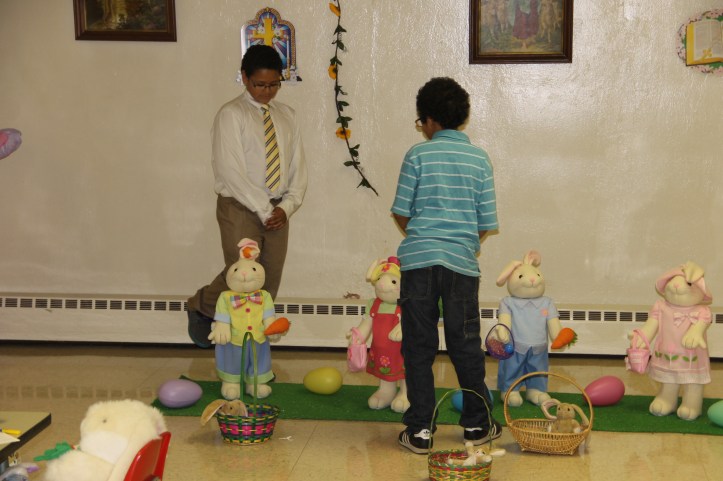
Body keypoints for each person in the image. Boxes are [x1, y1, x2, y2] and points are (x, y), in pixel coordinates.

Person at [391, 77, 500, 454]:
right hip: (461, 267)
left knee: (418, 346)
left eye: (421, 122)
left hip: (418, 263)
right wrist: (462, 243)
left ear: (430, 120)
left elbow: (401, 212)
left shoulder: (417, 156)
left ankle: (420, 429)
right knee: (466, 345)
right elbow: (485, 222)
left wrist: (424, 237)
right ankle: (477, 424)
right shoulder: (480, 159)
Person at [187, 44, 307, 348]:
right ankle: (218, 322)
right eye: (259, 84)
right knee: (243, 276)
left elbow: (298, 165)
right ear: (244, 77)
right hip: (239, 206)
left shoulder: (287, 115)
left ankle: (247, 333)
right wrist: (264, 210)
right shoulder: (231, 114)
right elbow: (231, 171)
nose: (267, 92)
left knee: (267, 279)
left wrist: (287, 206)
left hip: (278, 209)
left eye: (274, 84)